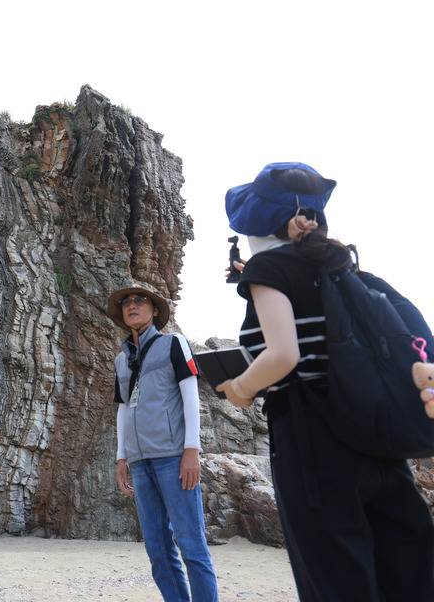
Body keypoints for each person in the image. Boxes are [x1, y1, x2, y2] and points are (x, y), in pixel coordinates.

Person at [218, 161, 434, 601]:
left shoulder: (270, 270)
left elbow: (283, 355)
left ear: (282, 219)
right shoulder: (344, 269)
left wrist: (239, 389)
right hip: (377, 438)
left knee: (337, 581)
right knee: (407, 574)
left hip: (313, 443)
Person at [110, 282, 219, 602]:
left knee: (191, 545)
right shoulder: (121, 360)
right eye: (127, 302)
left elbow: (190, 397)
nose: (132, 305)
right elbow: (122, 410)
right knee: (157, 550)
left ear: (154, 310)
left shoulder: (174, 344)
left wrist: (192, 450)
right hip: (140, 464)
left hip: (174, 458)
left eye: (140, 300)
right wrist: (121, 457)